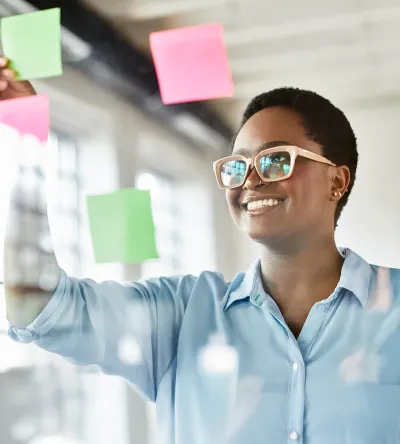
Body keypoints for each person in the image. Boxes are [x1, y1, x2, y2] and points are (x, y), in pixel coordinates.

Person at [2, 55, 400, 444]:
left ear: (337, 181)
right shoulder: (180, 316)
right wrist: (23, 140)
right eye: (237, 166)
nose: (252, 180)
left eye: (276, 160)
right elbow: (38, 306)